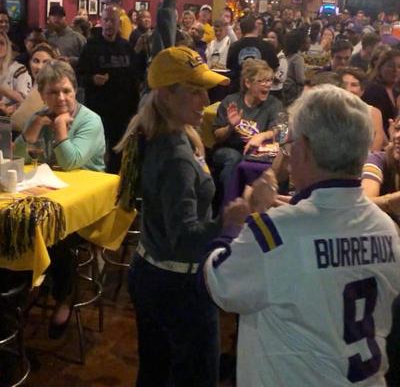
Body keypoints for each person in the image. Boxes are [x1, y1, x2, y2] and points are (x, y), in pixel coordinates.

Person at [202, 84, 400, 387]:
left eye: (290, 142)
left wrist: (234, 226)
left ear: (304, 149)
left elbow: (221, 284)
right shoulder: (386, 227)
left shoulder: (275, 231)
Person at [116, 46, 244, 386]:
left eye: (205, 89)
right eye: (194, 91)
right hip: (177, 285)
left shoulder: (167, 134)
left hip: (153, 274)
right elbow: (186, 240)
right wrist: (230, 220)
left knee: (156, 373)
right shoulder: (175, 156)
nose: (205, 99)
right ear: (166, 95)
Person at [13, 60, 105, 338]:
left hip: (86, 205)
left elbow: (72, 161)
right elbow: (17, 158)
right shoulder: (41, 115)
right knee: (17, 226)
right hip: (48, 196)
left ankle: (63, 296)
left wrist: (61, 128)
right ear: (42, 95)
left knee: (56, 235)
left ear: (75, 90)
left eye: (66, 90)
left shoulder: (91, 120)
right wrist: (33, 129)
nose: (61, 98)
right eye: (53, 92)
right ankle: (26, 285)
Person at [78, 5, 139, 174]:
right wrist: (92, 79)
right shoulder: (91, 46)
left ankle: (113, 187)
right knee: (94, 151)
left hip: (122, 111)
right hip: (98, 110)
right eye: (105, 20)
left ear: (119, 23)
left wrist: (136, 108)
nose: (108, 24)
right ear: (100, 22)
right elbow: (78, 76)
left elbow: (135, 78)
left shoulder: (126, 47)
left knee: (117, 153)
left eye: (112, 20)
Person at [212, 58, 282, 193]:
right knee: (234, 158)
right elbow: (217, 137)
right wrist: (230, 127)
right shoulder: (231, 101)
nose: (267, 85)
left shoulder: (273, 104)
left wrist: (262, 136)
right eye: (262, 81)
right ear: (248, 82)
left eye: (269, 81)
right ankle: (229, 203)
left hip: (258, 153)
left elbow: (278, 128)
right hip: (229, 149)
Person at [11, 43, 58, 132]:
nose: (39, 67)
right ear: (29, 62)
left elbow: (18, 123)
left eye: (45, 62)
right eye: (36, 61)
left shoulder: (49, 88)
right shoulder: (36, 85)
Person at [337, 66, 385, 151]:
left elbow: (375, 149)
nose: (348, 89)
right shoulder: (329, 110)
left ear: (362, 90)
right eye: (343, 85)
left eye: (354, 85)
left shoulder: (373, 113)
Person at [227, 15, 279, 93]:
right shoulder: (267, 46)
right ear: (256, 27)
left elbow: (229, 67)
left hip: (238, 90)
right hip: (261, 91)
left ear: (241, 30)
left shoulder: (234, 46)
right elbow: (274, 67)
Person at [363, 49, 400, 137]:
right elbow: (374, 124)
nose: (395, 70)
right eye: (391, 66)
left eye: (399, 67)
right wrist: (389, 145)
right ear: (380, 67)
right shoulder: (374, 90)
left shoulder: (395, 91)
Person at [0, 31, 32, 116]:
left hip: (8, 119)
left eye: (1, 43)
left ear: (7, 47)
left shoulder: (19, 69)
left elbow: (24, 100)